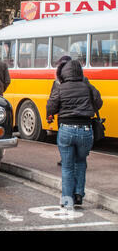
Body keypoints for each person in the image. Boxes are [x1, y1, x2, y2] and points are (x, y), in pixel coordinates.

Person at [46, 60, 103, 208]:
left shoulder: (60, 87)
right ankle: (78, 195)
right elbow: (98, 103)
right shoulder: (88, 86)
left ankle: (67, 200)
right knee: (81, 162)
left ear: (64, 72)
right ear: (80, 72)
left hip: (66, 129)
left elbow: (51, 107)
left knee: (67, 166)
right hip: (85, 130)